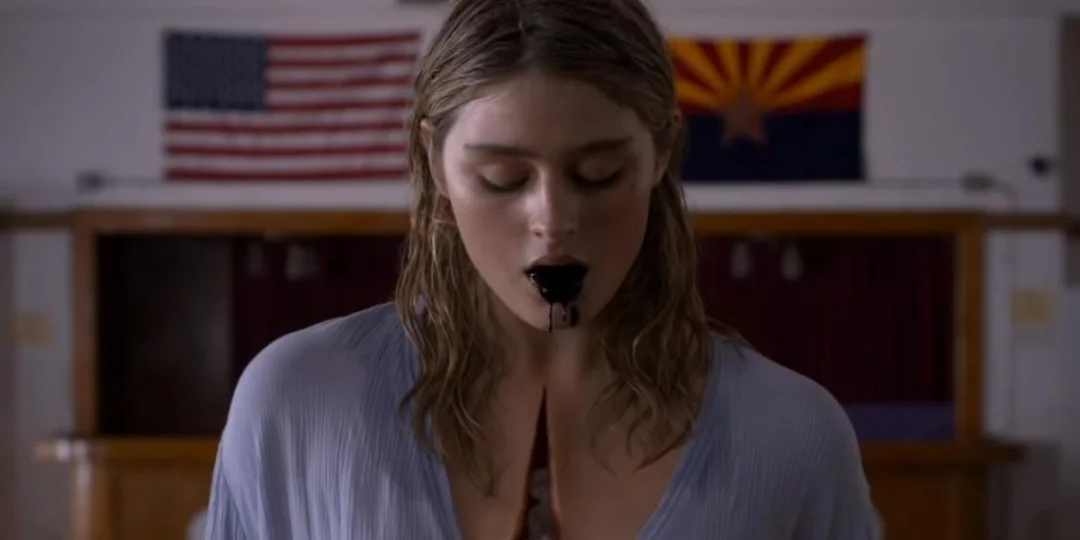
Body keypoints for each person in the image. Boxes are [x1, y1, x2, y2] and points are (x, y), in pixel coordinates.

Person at [204, 0, 883, 538]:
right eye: (502, 178)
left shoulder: (792, 434)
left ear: (662, 153)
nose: (553, 222)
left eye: (599, 174)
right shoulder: (297, 402)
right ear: (437, 161)